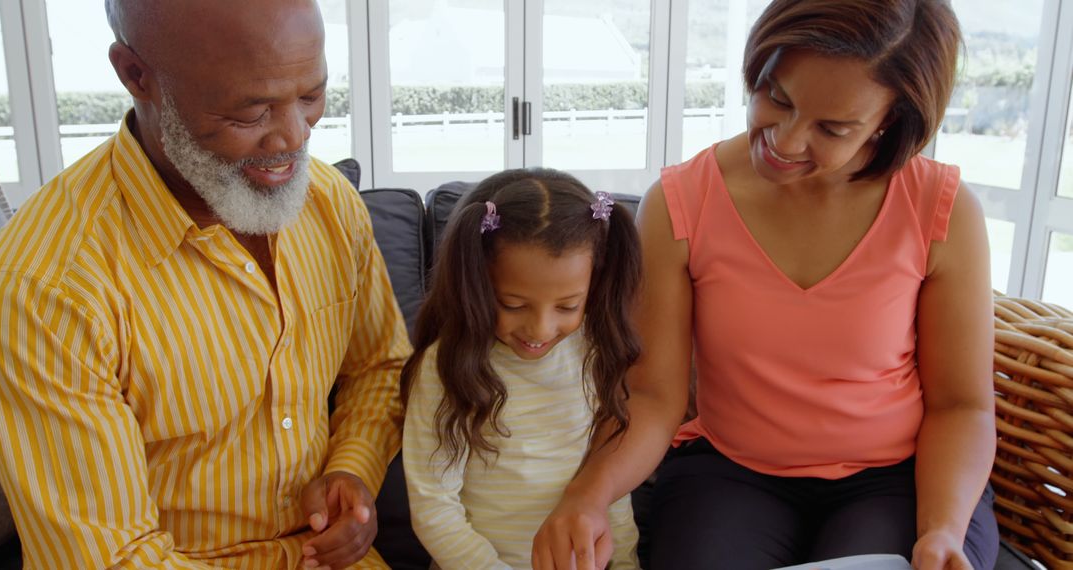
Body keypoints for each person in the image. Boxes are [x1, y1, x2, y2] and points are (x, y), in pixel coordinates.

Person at [534, 1, 998, 569]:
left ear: (890, 119)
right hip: (731, 470)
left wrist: (944, 530)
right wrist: (587, 495)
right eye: (776, 96)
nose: (785, 139)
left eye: (832, 128)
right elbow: (656, 396)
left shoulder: (941, 211)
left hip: (898, 479)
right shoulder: (681, 203)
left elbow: (961, 405)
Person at [0, 0, 410, 568]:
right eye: (250, 113)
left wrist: (352, 470)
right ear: (136, 75)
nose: (293, 137)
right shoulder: (49, 286)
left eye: (311, 96)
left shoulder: (330, 204)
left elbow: (379, 367)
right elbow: (110, 558)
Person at [401, 169, 642, 569]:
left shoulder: (596, 352)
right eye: (513, 305)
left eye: (567, 306)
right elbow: (434, 508)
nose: (540, 329)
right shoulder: (445, 369)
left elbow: (610, 484)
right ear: (477, 285)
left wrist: (626, 563)